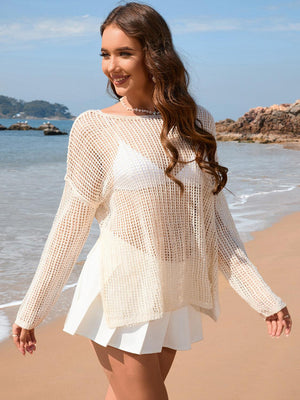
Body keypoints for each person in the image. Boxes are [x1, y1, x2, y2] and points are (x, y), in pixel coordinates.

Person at [12, 2, 292, 399]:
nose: (112, 67)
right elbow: (69, 225)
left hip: (174, 293)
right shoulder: (95, 127)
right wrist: (34, 307)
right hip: (120, 296)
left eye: (125, 53)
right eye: (105, 55)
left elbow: (216, 224)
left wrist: (264, 298)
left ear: (155, 54)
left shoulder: (198, 123)